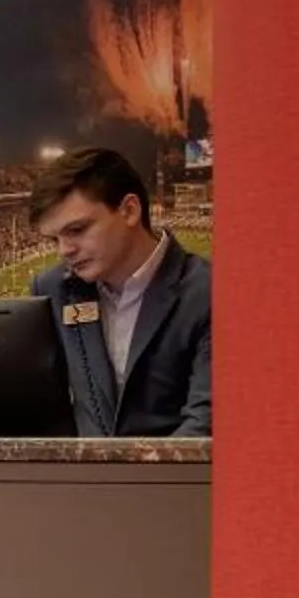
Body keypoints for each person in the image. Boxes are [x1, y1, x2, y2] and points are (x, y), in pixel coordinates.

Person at [26, 146, 212, 437]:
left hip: (174, 465)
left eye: (77, 230)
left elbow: (205, 423)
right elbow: (44, 401)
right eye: (54, 239)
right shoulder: (53, 288)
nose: (64, 250)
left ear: (129, 210)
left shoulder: (207, 291)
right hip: (84, 465)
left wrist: (126, 470)